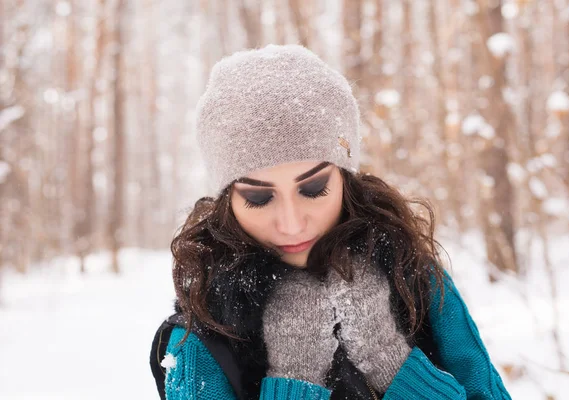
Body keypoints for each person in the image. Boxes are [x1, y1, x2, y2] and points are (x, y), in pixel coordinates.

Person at [159, 44, 512, 399]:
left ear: (345, 179)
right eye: (258, 198)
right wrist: (295, 377)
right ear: (228, 202)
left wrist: (389, 361)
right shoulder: (202, 336)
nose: (292, 224)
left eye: (312, 188)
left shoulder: (414, 277)